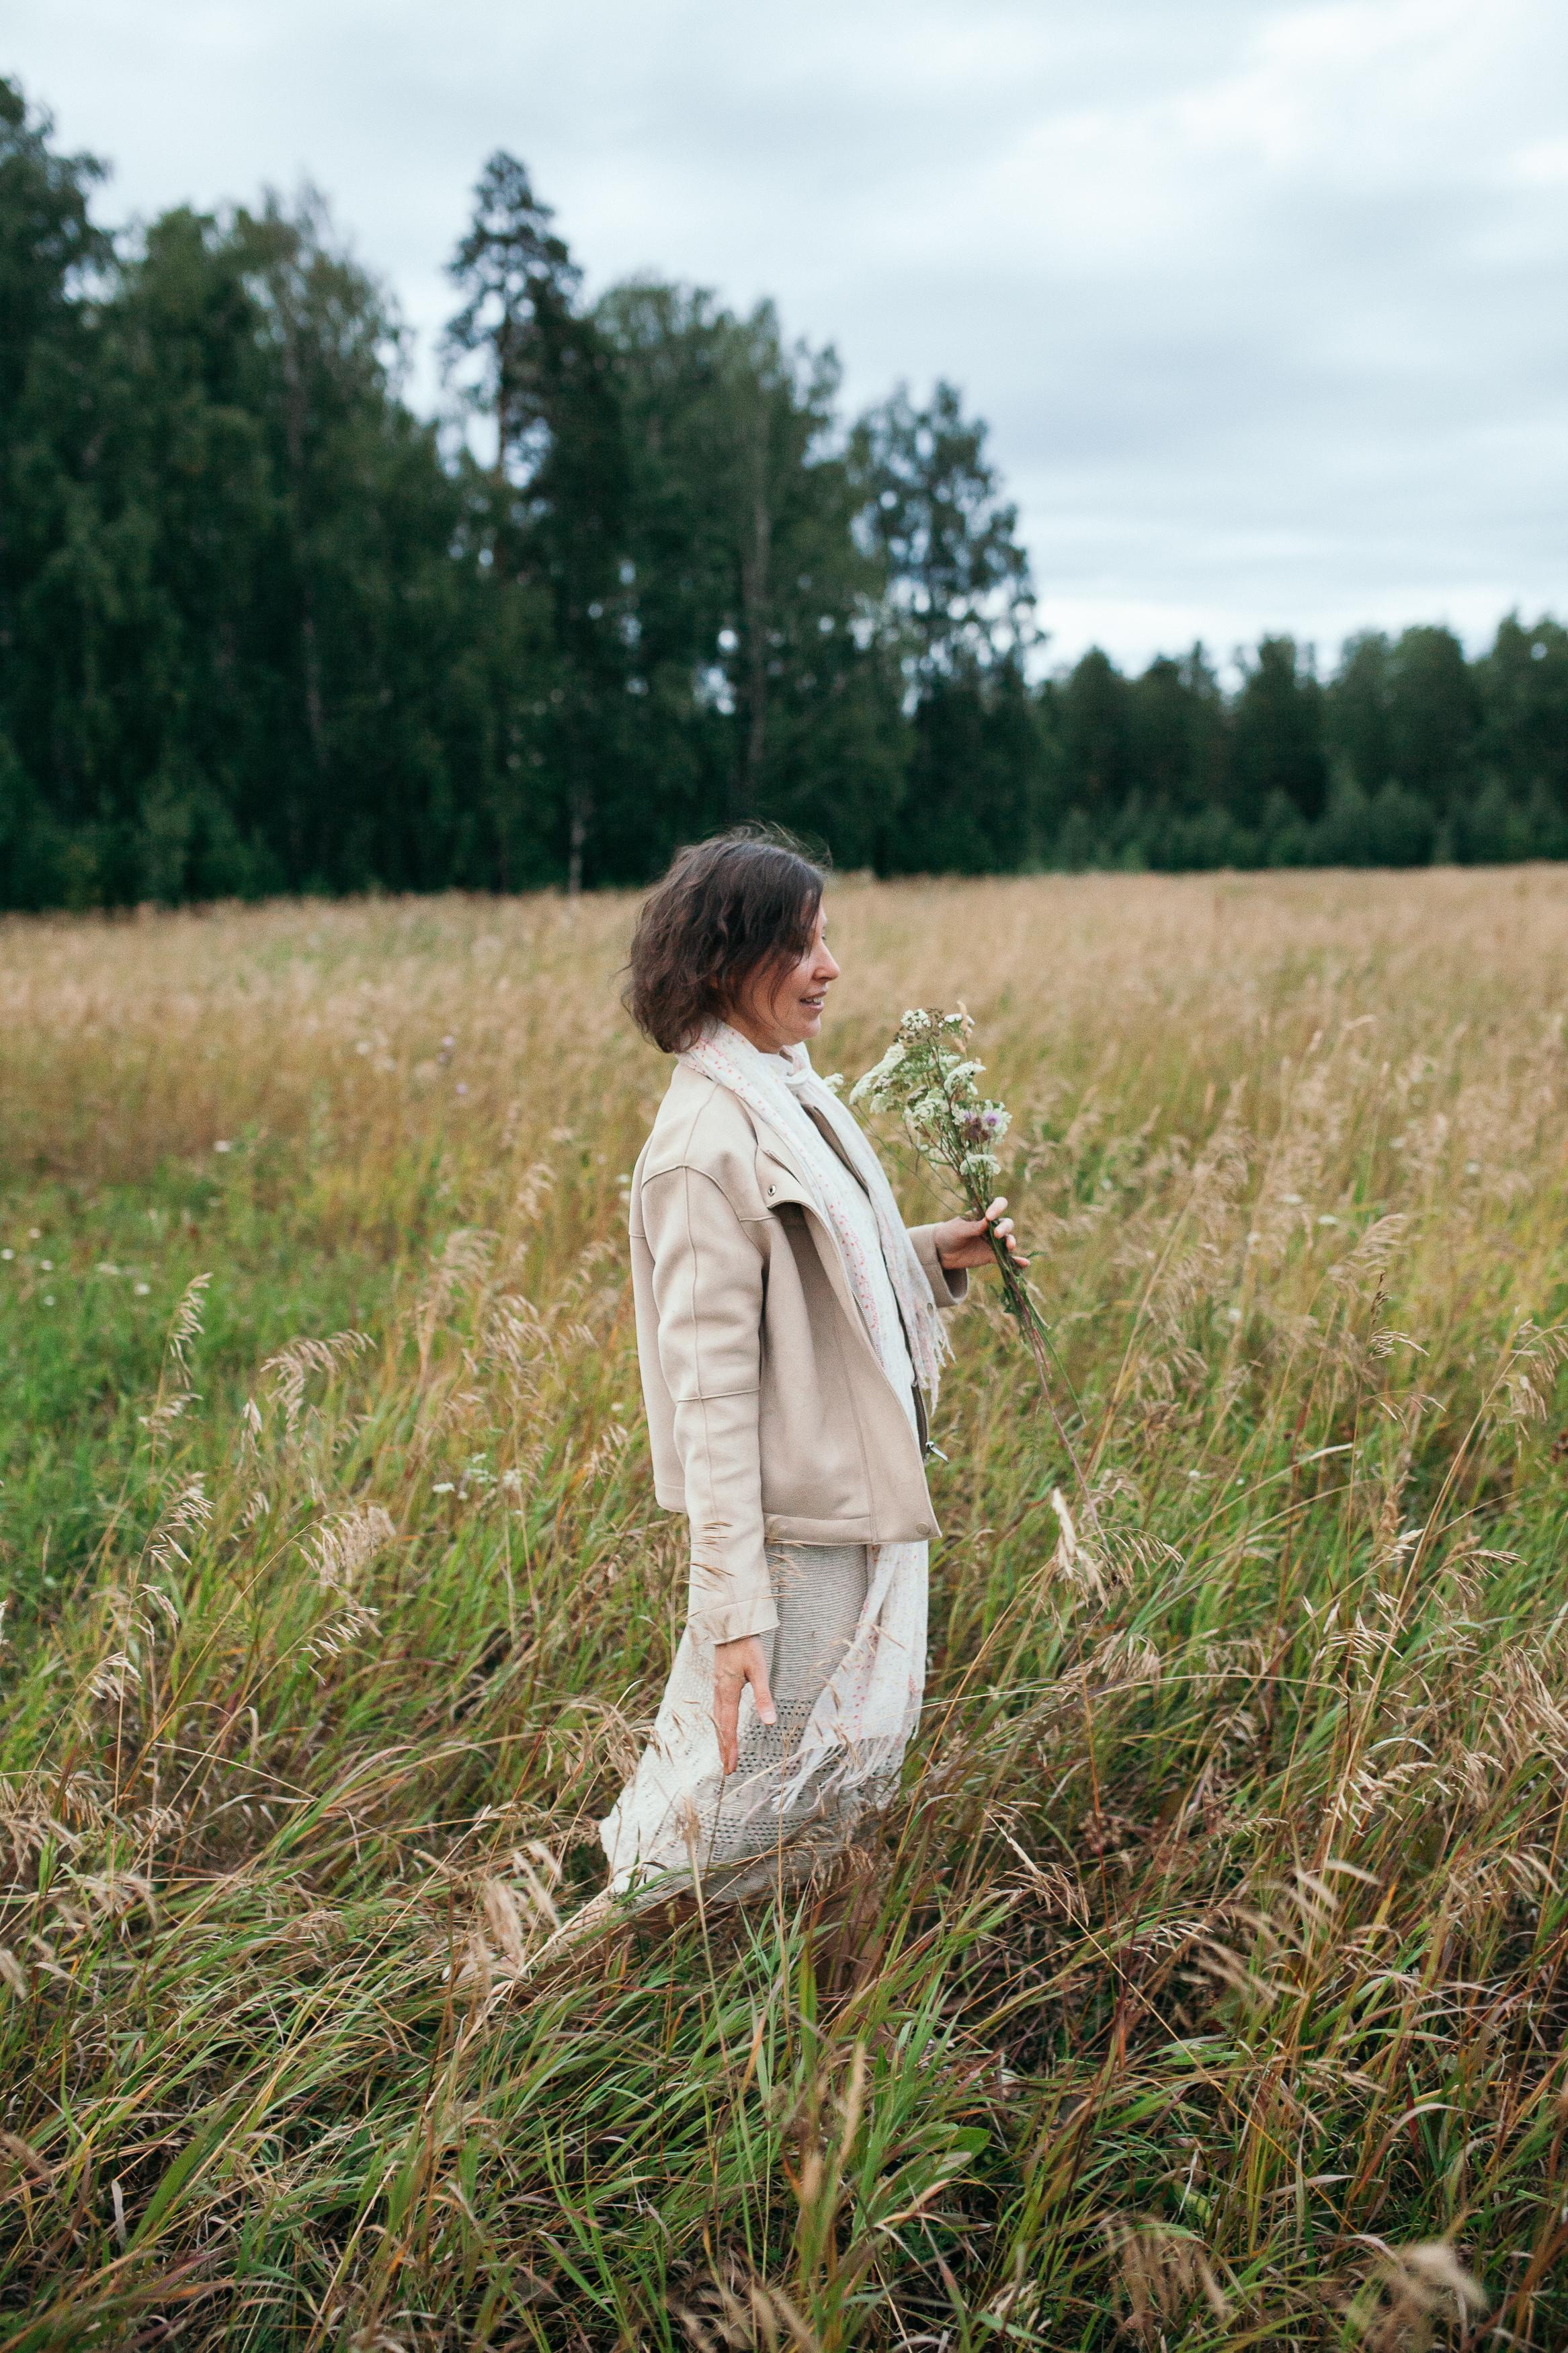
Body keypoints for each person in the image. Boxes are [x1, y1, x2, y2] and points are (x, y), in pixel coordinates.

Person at [600, 828, 1026, 1909]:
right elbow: (710, 1399)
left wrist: (931, 1256)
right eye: (799, 944)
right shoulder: (704, 1146)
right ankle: (605, 1975)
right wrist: (737, 1608)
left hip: (842, 1512)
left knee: (812, 1787)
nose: (829, 968)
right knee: (738, 1803)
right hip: (793, 1540)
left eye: (825, 938)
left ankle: (782, 1977)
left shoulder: (783, 1089)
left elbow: (822, 1273)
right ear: (716, 962)